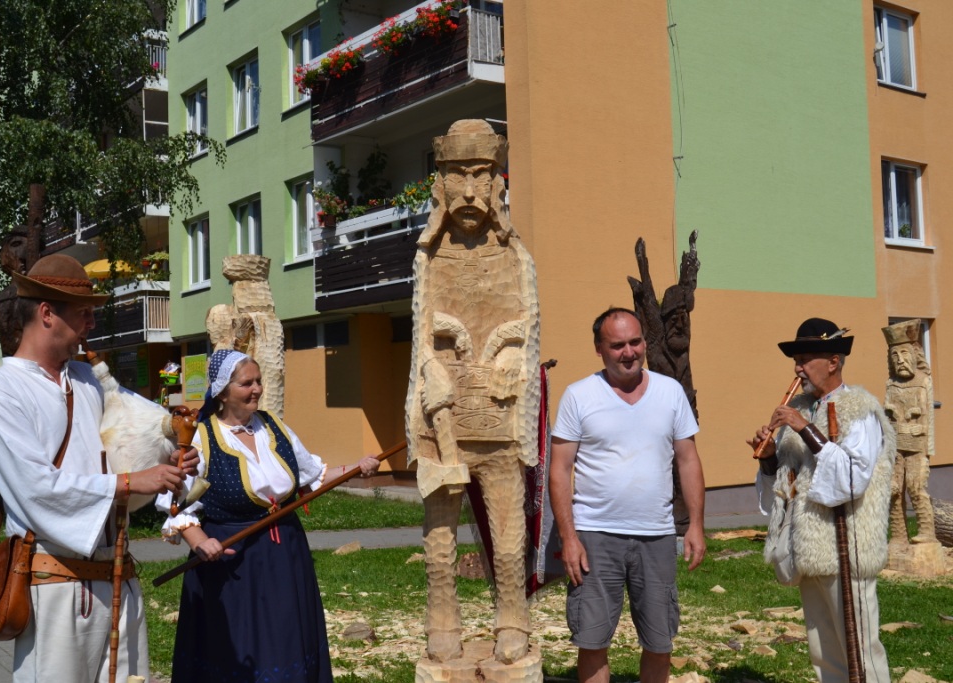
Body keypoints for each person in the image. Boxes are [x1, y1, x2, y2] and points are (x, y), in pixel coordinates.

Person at [0, 253, 193, 682]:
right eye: (84, 313)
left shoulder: (90, 379)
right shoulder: (2, 394)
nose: (92, 324)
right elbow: (37, 489)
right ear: (47, 313)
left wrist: (169, 456)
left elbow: (139, 436)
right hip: (55, 586)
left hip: (119, 577)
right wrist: (129, 482)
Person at [159, 349, 380, 682]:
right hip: (231, 562)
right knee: (239, 647)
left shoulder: (273, 427)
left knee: (287, 636)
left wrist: (356, 468)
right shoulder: (201, 439)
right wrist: (200, 541)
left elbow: (312, 476)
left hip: (285, 555)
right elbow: (176, 504)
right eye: (247, 383)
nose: (257, 389)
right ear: (222, 392)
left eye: (258, 381)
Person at [406, 119, 540, 664]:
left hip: (498, 420)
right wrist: (430, 368)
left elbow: (529, 327)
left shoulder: (516, 257)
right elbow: (421, 331)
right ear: (439, 184)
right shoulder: (429, 257)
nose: (468, 191)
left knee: (507, 536)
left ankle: (513, 619)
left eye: (479, 175)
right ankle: (442, 619)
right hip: (441, 422)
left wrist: (510, 356)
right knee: (440, 538)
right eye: (456, 176)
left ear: (497, 182)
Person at [549, 308, 706, 683]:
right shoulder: (579, 396)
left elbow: (688, 460)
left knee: (659, 641)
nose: (629, 352)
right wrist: (568, 538)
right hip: (594, 535)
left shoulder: (670, 392)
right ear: (599, 349)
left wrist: (696, 525)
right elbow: (559, 470)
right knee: (592, 640)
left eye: (635, 342)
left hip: (656, 535)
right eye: (617, 345)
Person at [749, 317, 894, 683]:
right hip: (807, 548)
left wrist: (804, 428)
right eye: (795, 360)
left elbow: (850, 478)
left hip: (847, 549)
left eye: (805, 359)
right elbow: (786, 486)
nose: (797, 369)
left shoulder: (859, 409)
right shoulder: (801, 408)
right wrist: (768, 457)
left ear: (833, 361)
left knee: (861, 650)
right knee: (823, 651)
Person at [882, 319, 936, 544]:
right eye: (894, 355)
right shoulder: (891, 384)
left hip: (916, 445)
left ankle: (927, 534)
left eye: (904, 353)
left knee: (915, 487)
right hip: (895, 445)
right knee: (894, 491)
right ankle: (898, 536)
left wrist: (928, 449)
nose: (900, 360)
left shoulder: (923, 381)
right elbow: (886, 418)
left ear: (915, 355)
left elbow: (928, 417)